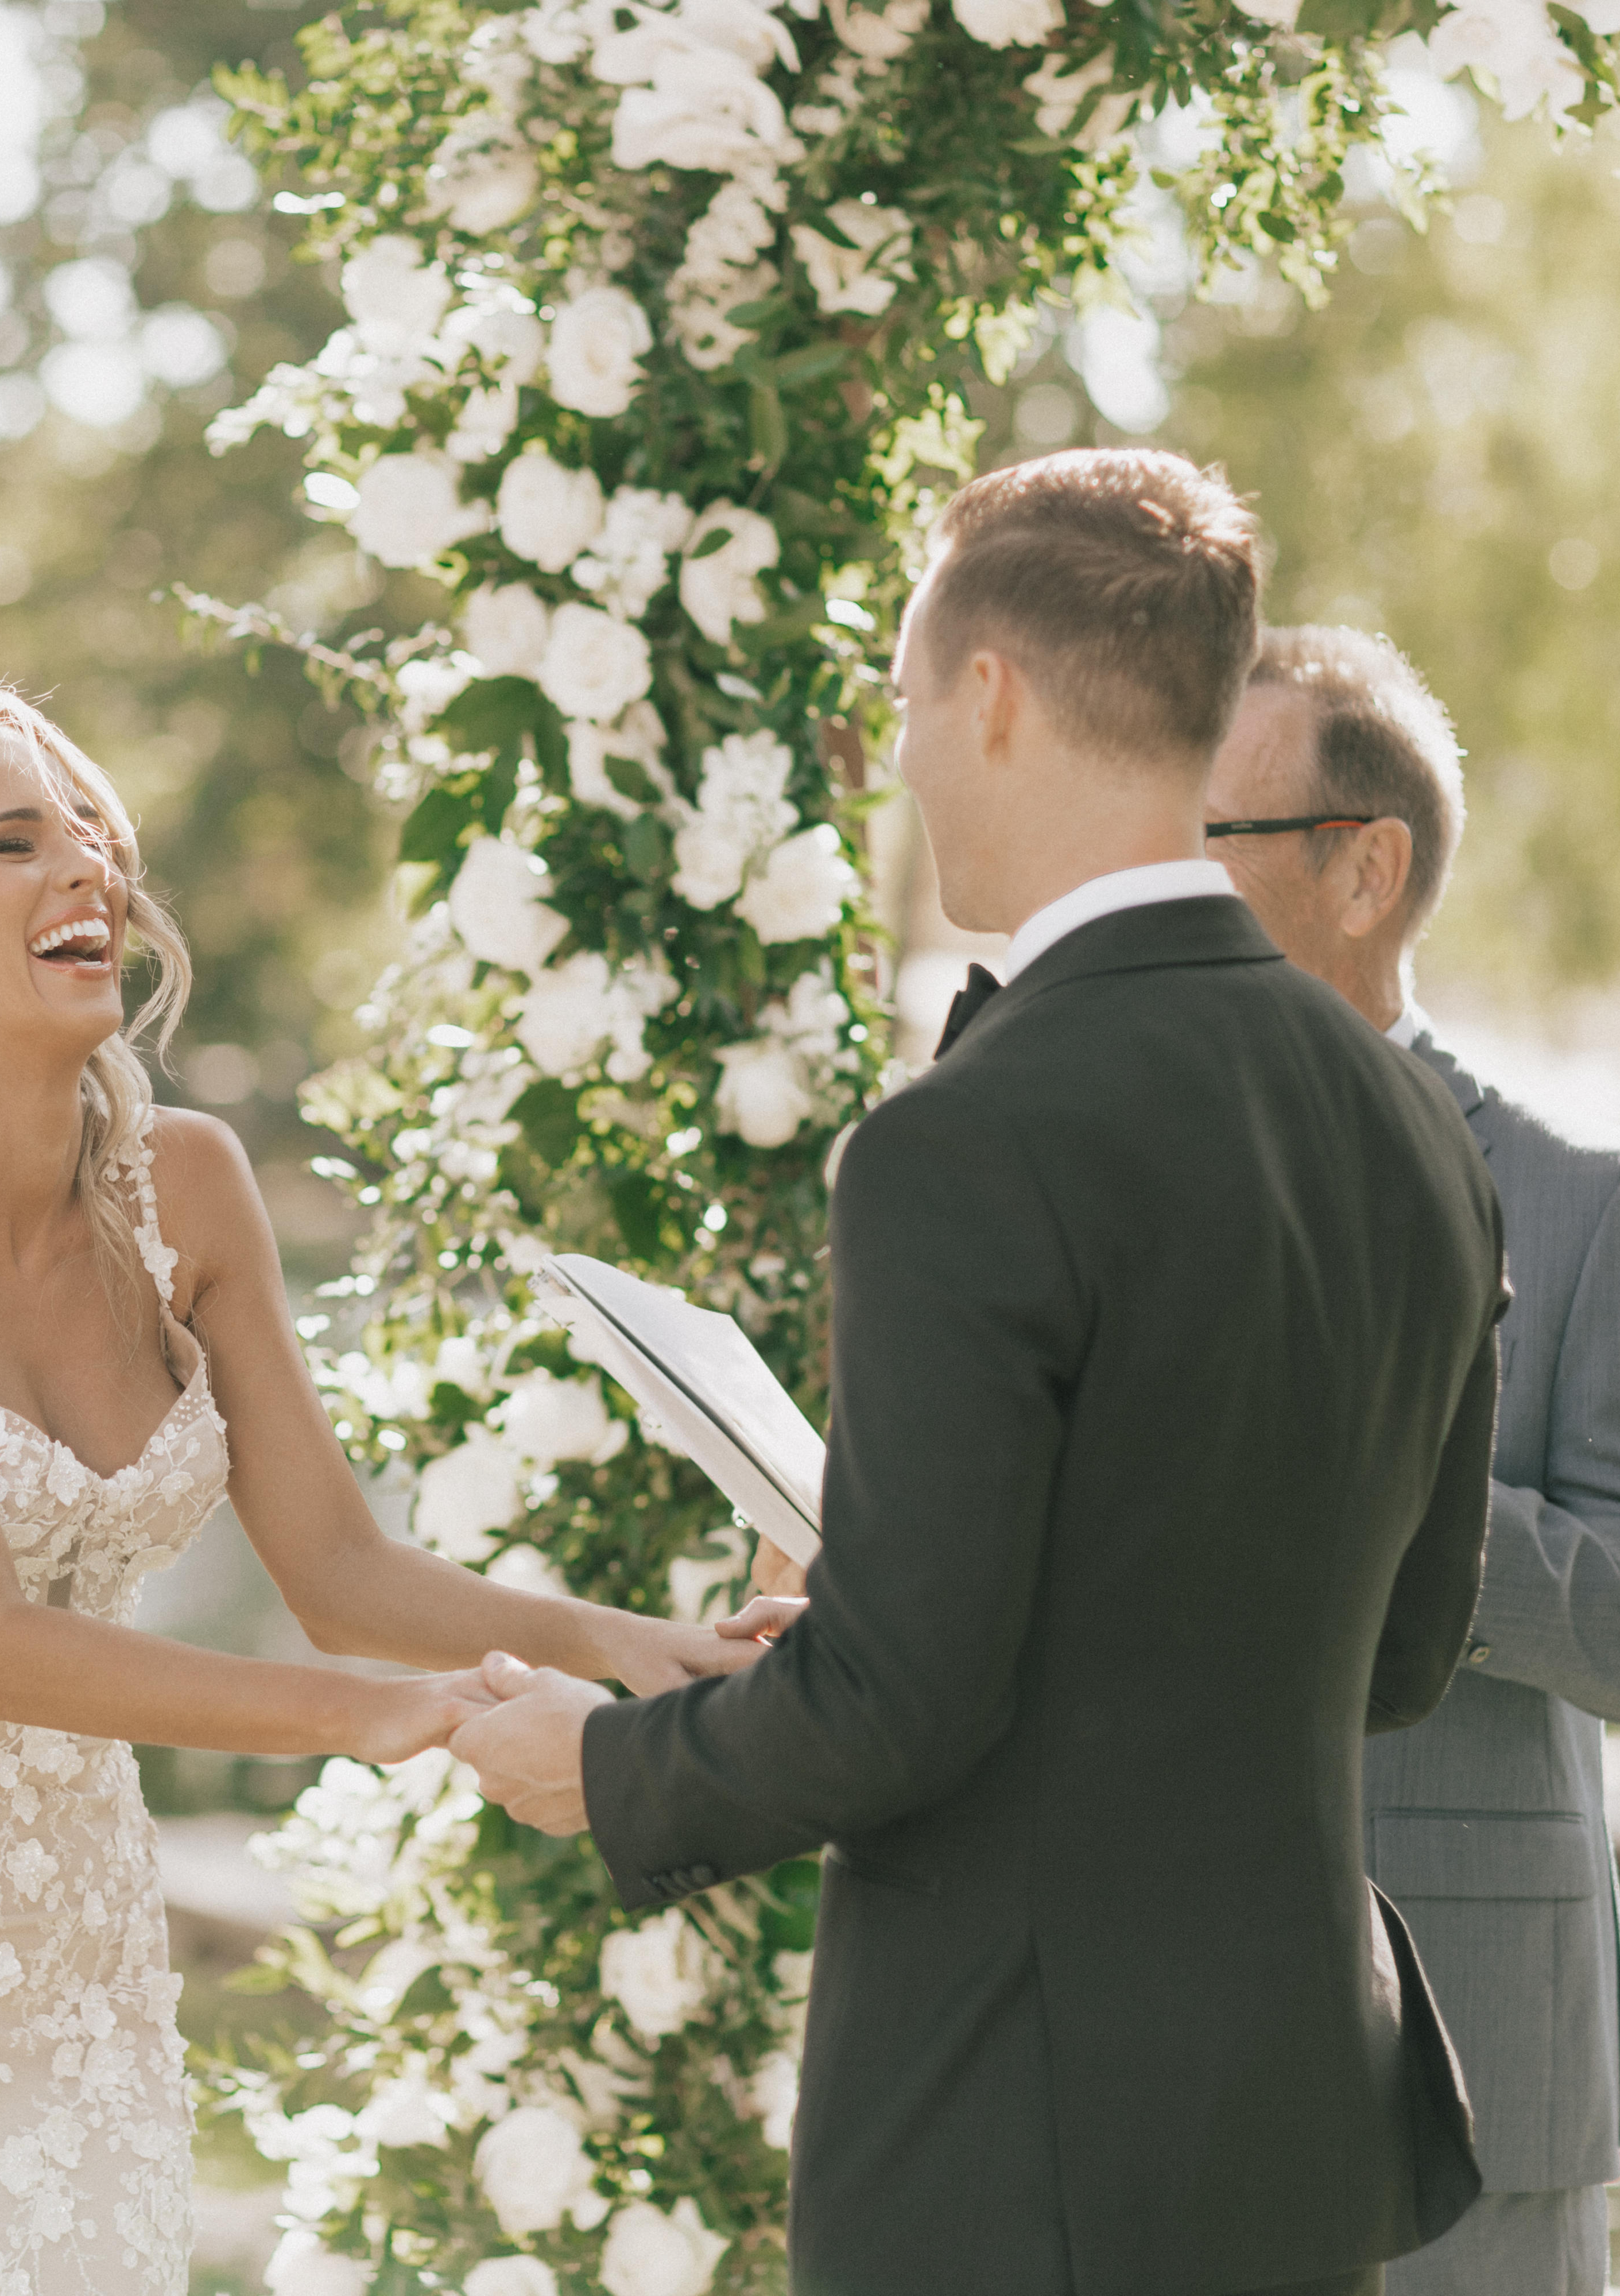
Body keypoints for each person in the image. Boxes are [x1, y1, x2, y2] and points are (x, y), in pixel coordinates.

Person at [451, 451, 1508, 2296]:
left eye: (907, 701)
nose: (905, 756)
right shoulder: (1416, 1130)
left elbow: (902, 1712)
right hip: (1291, 2132)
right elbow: (1401, 1653)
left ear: (994, 696)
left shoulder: (963, 1140)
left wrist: (608, 1766)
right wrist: (942, 1618)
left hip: (1011, 2147)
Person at [0, 681, 769, 2296]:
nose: (86, 869)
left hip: (86, 1964)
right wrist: (383, 1719)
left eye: (91, 834)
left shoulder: (188, 1188)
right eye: (12, 843)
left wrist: (626, 1645)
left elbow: (339, 1569)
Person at [1204, 625, 1620, 2296]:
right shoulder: (1121, 1186)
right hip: (1151, 2067)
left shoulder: (1598, 1200)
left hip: (1479, 2090)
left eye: (1211, 838)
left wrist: (1395, 1506)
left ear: (1366, 871)